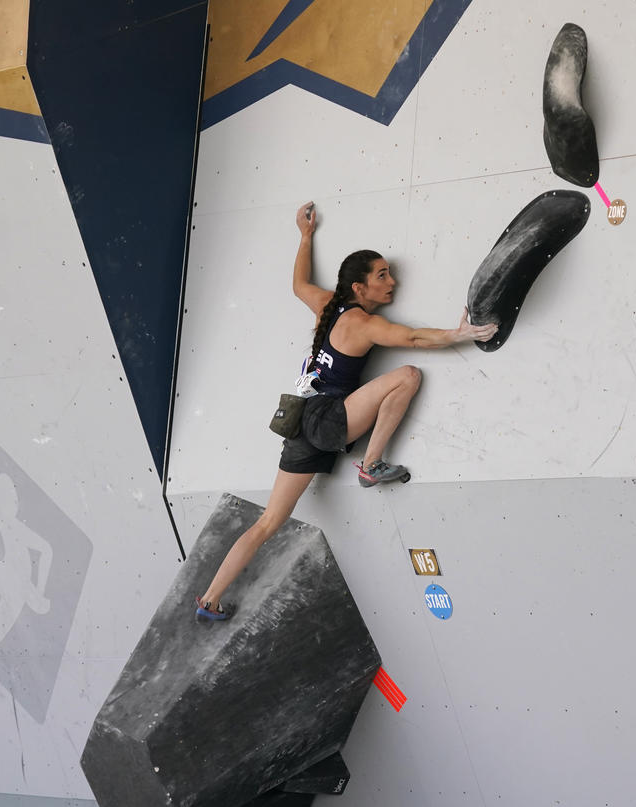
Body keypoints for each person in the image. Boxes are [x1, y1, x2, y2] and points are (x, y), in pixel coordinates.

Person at [195, 202, 497, 620]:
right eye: (382, 275)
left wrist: (304, 236)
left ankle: (209, 600)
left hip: (300, 424)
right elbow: (413, 339)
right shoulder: (362, 323)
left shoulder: (326, 305)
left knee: (268, 522)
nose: (393, 281)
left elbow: (299, 283)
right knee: (407, 375)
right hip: (327, 416)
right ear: (359, 288)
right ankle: (370, 464)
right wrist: (460, 334)